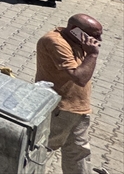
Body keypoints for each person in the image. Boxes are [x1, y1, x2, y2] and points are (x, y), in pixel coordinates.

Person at [35, 14, 102, 174]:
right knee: (40, 151)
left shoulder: (78, 41)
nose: (99, 39)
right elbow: (80, 78)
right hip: (60, 110)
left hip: (78, 110)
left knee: (78, 153)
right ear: (74, 30)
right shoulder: (54, 42)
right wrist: (92, 54)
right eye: (94, 35)